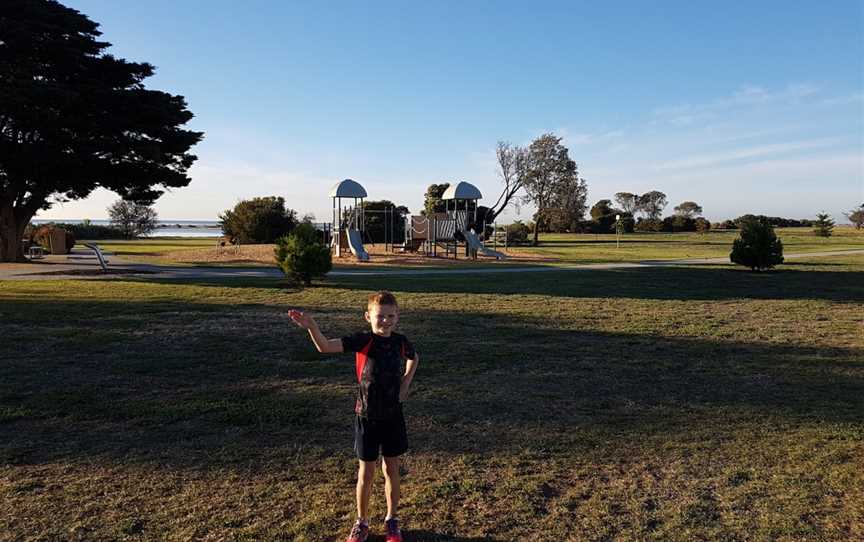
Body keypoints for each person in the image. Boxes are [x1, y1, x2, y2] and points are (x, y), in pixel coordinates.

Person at [288, 291, 419, 542]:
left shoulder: (401, 341)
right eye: (380, 316)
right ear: (368, 316)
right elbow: (325, 347)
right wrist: (312, 327)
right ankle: (362, 522)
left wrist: (405, 384)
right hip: (366, 416)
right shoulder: (363, 341)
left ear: (398, 316)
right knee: (366, 473)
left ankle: (392, 520)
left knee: (392, 469)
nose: (386, 321)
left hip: (393, 416)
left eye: (391, 316)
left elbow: (414, 358)